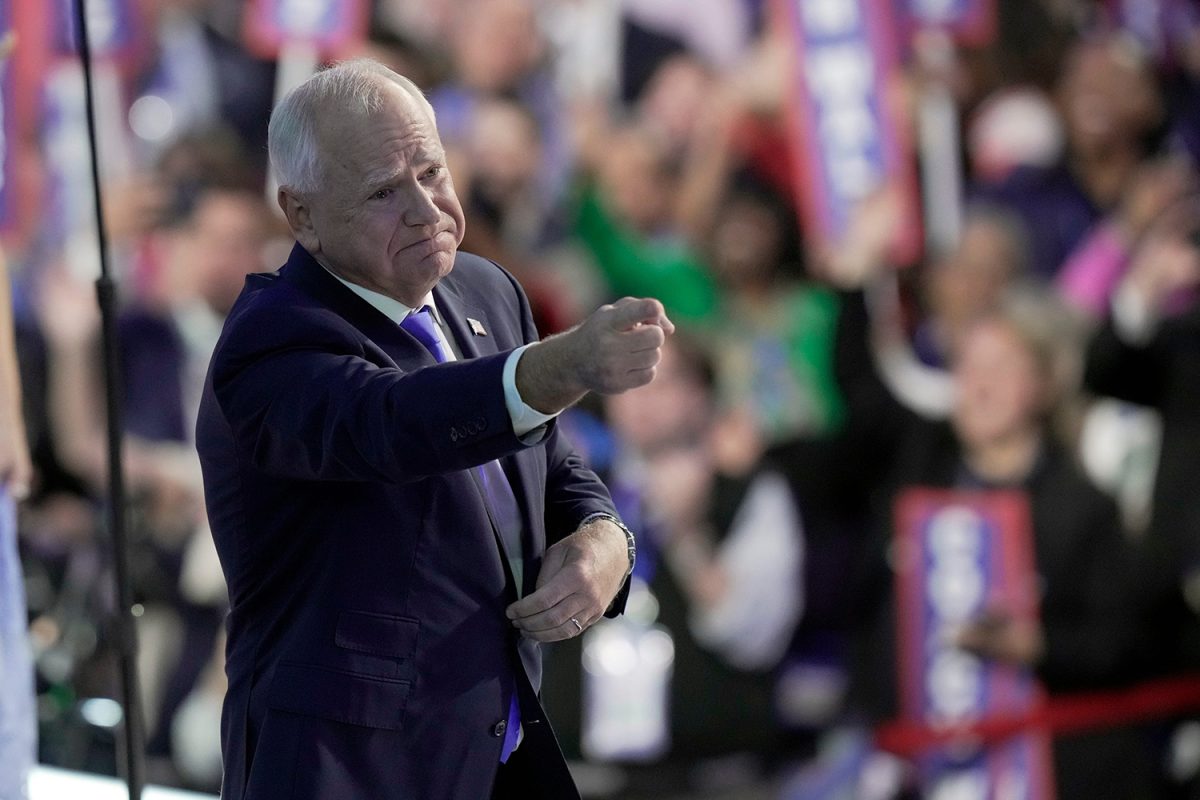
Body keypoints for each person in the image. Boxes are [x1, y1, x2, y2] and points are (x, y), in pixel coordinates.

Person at [195, 59, 672, 800]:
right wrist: (562, 365)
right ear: (302, 214)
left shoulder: (485, 288)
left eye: (431, 170)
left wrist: (604, 539)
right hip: (346, 771)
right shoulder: (272, 339)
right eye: (386, 191)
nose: (428, 209)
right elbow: (399, 421)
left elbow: (548, 460)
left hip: (496, 754)